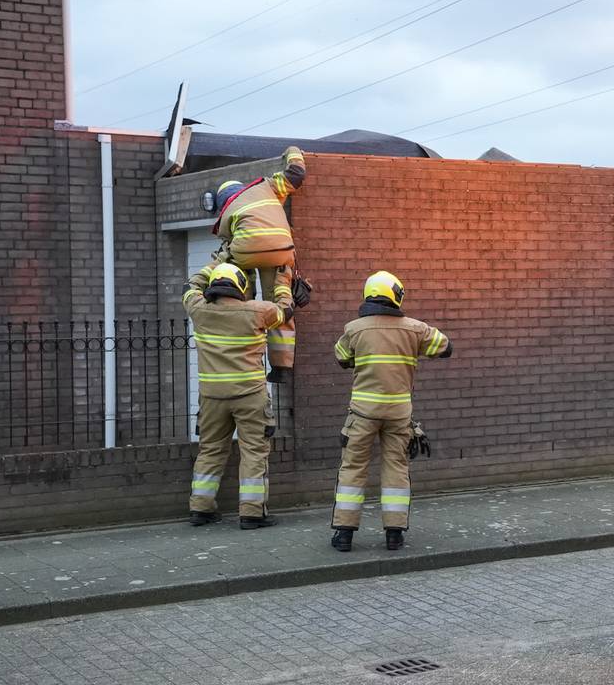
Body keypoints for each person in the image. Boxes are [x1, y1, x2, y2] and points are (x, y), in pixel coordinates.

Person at [329, 271, 451, 552]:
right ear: (396, 296)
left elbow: (341, 358)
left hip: (362, 414)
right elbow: (446, 347)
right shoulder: (415, 329)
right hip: (398, 414)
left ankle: (344, 535)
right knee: (397, 469)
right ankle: (394, 535)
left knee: (352, 469)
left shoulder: (353, 329)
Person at [183, 263, 291, 529]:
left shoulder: (198, 309)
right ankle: (253, 513)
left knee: (210, 450)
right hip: (249, 395)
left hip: (212, 397)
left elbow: (190, 287)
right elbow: (285, 310)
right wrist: (283, 281)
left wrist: (212, 265)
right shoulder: (258, 311)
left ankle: (201, 508)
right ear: (242, 287)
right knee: (254, 451)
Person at [192, 145, 307, 383]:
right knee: (278, 298)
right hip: (281, 252)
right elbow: (296, 174)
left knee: (232, 268)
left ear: (223, 201)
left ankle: (243, 309)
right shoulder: (267, 188)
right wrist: (293, 151)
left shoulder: (227, 212)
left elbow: (225, 248)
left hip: (245, 252)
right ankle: (282, 367)